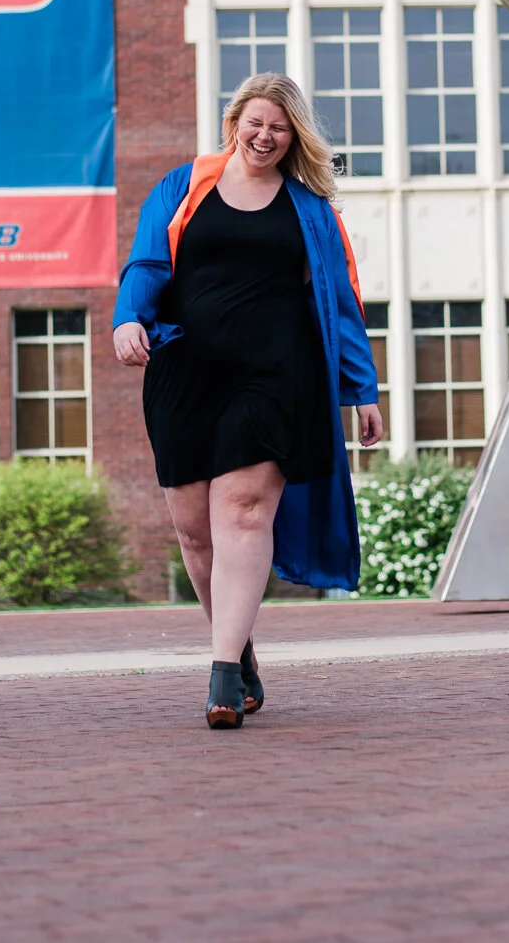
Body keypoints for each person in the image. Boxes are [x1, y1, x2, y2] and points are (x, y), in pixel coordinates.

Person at [113, 73, 384, 729]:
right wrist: (129, 318)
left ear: (295, 136)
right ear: (236, 121)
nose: (265, 135)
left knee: (243, 511)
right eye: (256, 121)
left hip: (274, 374)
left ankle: (222, 674)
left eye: (280, 126)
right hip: (185, 369)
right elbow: (148, 264)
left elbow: (340, 301)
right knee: (195, 529)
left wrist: (361, 388)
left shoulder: (309, 208)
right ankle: (238, 647)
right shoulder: (183, 185)